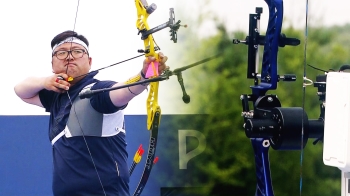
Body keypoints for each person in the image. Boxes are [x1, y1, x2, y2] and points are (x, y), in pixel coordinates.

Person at [14, 30, 168, 195]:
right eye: (62, 52)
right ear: (52, 64)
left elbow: (124, 91)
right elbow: (21, 90)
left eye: (77, 51)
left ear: (89, 61)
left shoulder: (97, 92)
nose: (69, 56)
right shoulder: (56, 98)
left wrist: (146, 75)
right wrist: (44, 81)